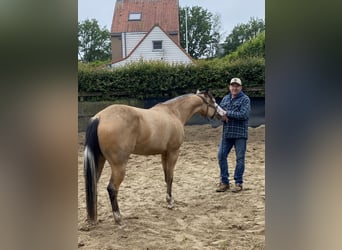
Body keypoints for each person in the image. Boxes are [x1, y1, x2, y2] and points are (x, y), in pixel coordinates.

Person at [216, 77, 251, 193]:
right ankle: (224, 182)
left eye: (237, 86)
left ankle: (238, 182)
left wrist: (227, 113)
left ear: (240, 87)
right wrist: (222, 116)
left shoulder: (245, 99)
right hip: (227, 134)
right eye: (232, 85)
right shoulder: (225, 99)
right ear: (229, 87)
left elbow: (243, 115)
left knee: (240, 159)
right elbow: (220, 112)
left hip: (240, 134)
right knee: (221, 155)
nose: (234, 88)